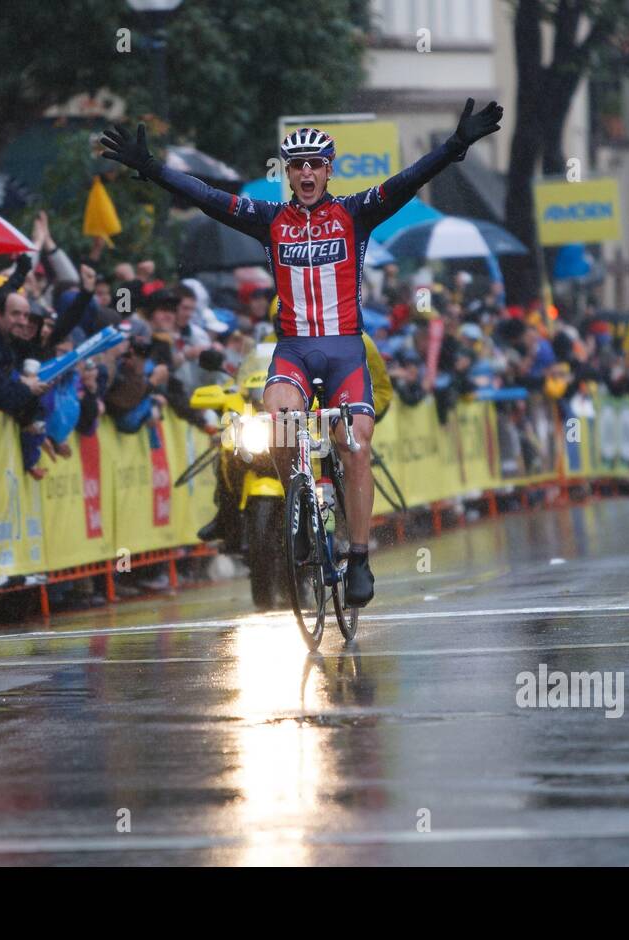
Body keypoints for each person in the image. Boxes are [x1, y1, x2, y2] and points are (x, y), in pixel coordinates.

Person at [101, 96, 504, 606]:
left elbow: (408, 180)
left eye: (316, 164)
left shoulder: (356, 212)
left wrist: (456, 144)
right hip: (293, 351)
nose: (308, 172)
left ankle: (358, 556)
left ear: (329, 170)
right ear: (288, 173)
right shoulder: (270, 220)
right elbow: (208, 197)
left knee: (355, 443)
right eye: (298, 166)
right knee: (278, 422)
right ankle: (298, 504)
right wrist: (152, 169)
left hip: (343, 353)